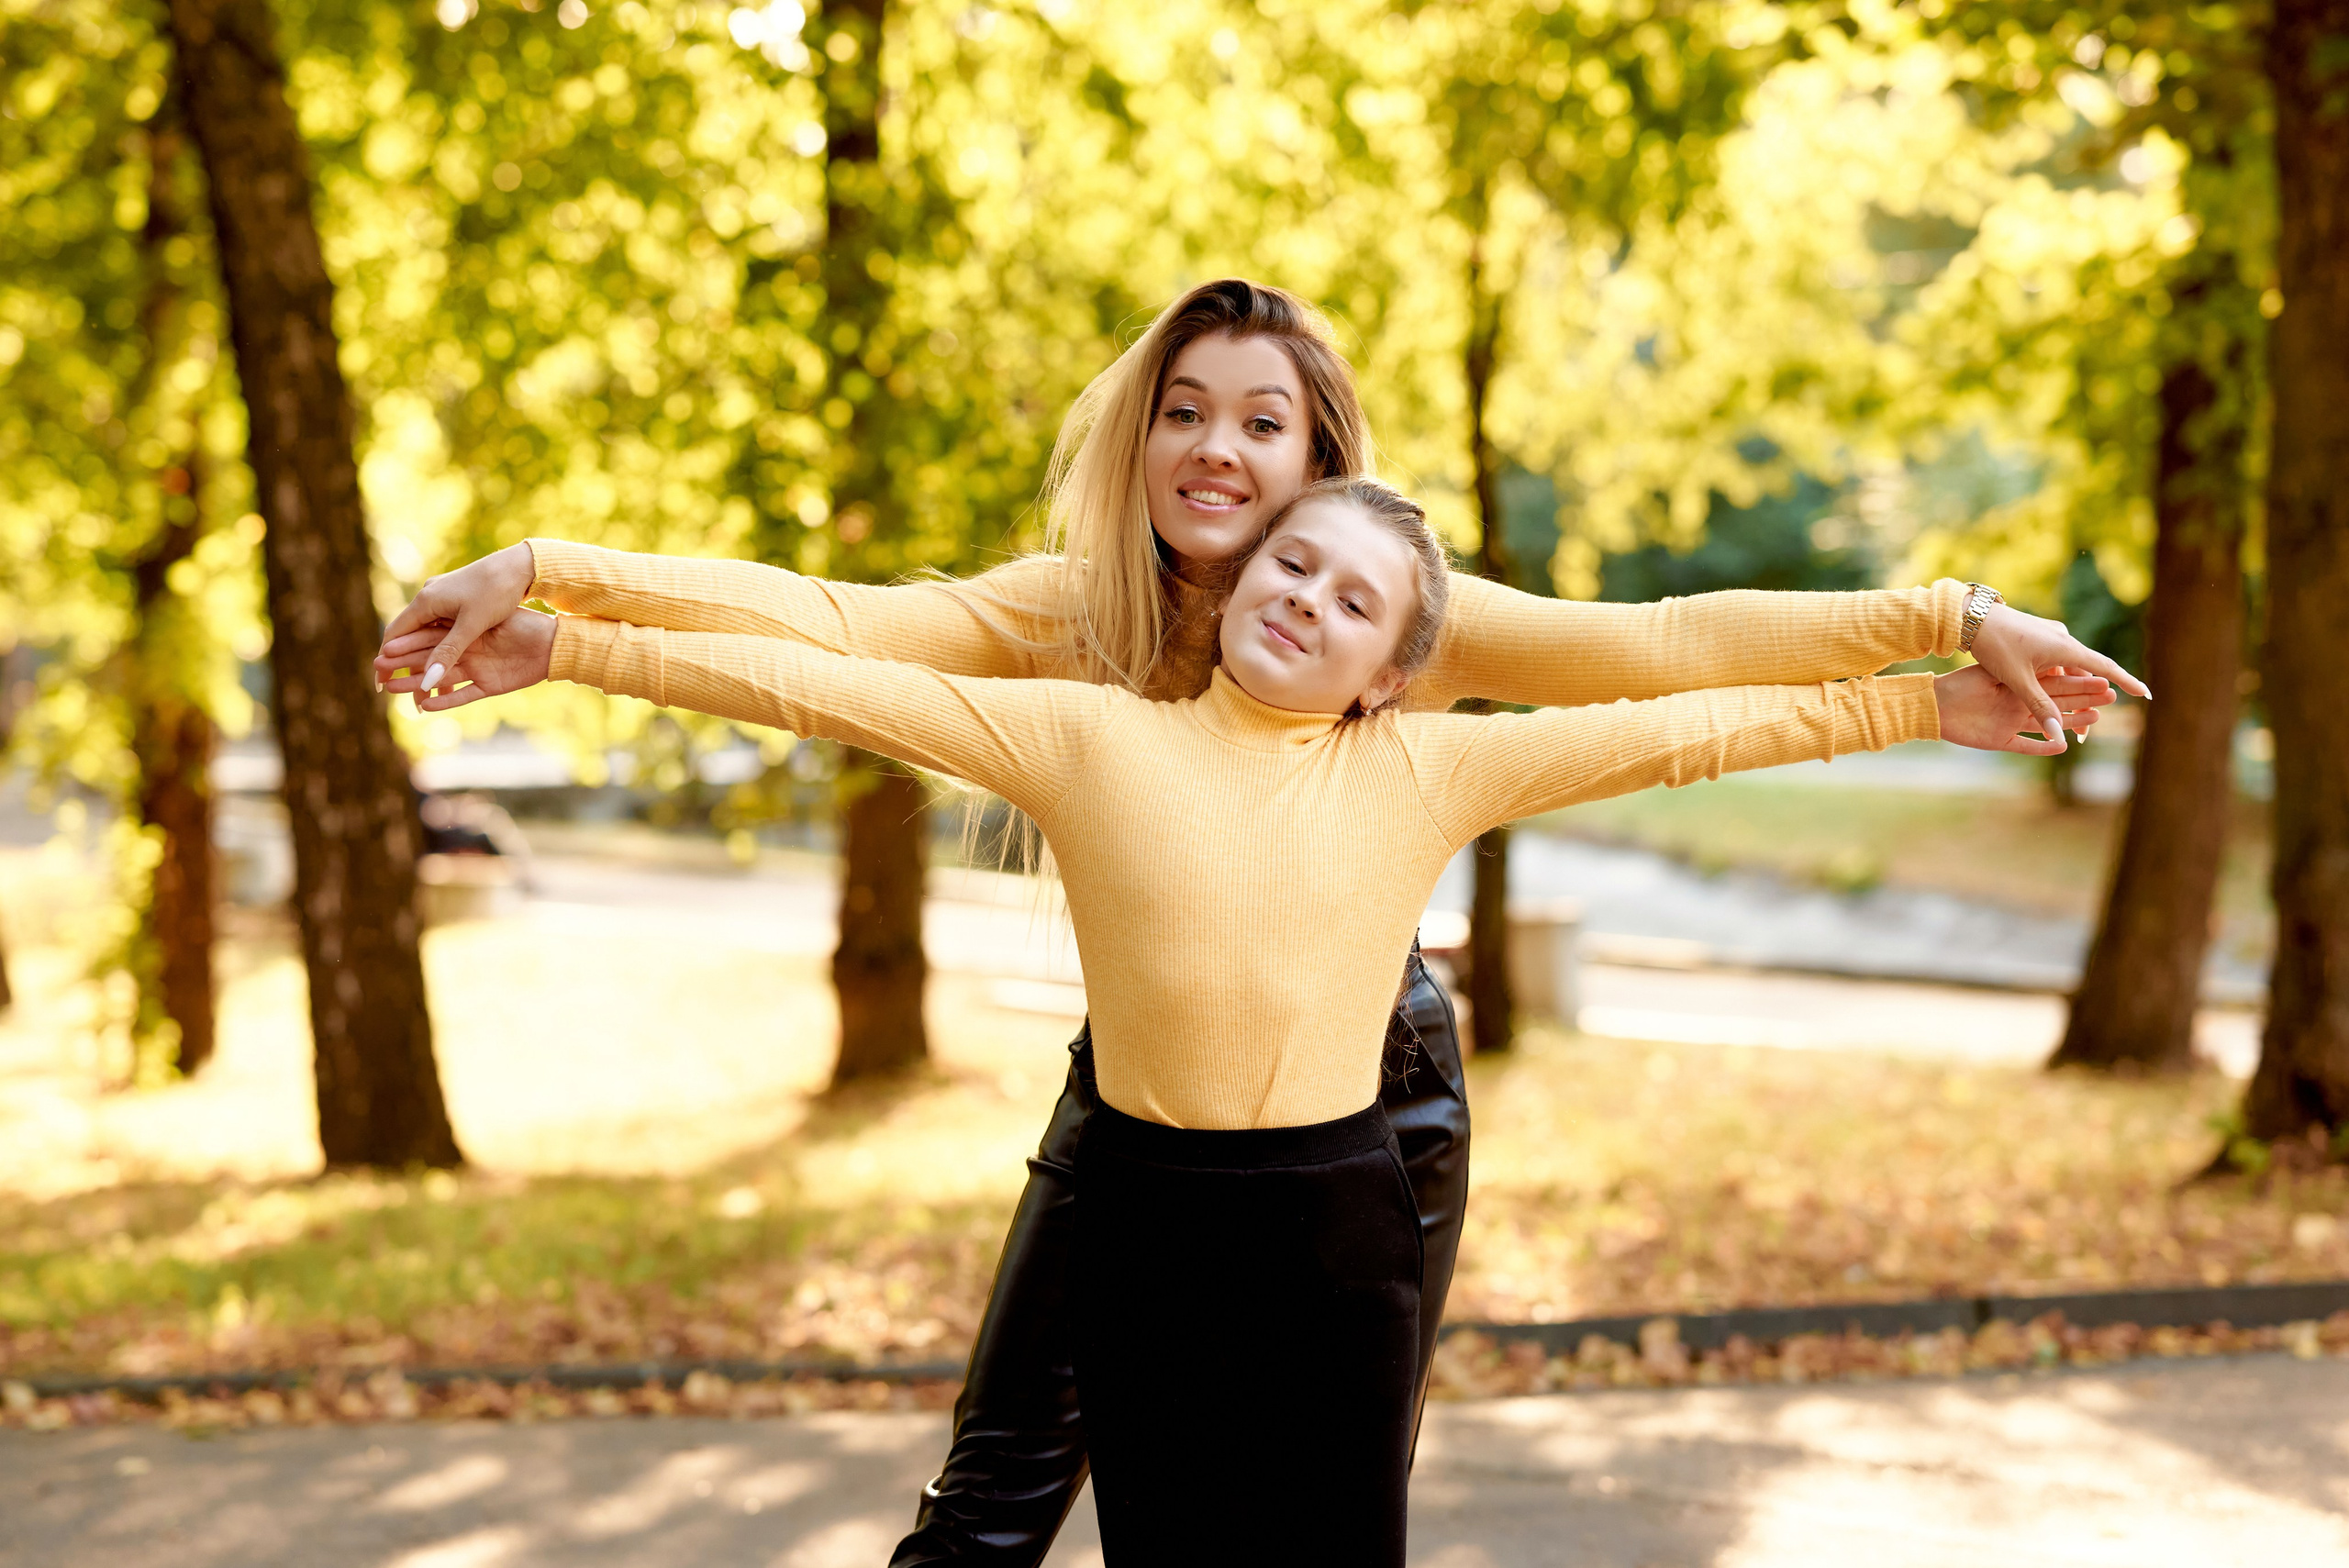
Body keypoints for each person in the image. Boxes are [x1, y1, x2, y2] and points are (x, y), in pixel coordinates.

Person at [377, 279, 2143, 1563]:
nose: (1220, 450)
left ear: (1322, 465)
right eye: (1188, 407)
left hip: (1370, 1096)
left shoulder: (1401, 641)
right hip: (1143, 1101)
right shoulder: (1069, 638)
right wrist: (553, 582)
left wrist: (1941, 626)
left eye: (1264, 420)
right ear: (1146, 427)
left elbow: (1674, 665)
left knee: (1315, 1509)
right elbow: (823, 635)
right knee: (1003, 1482)